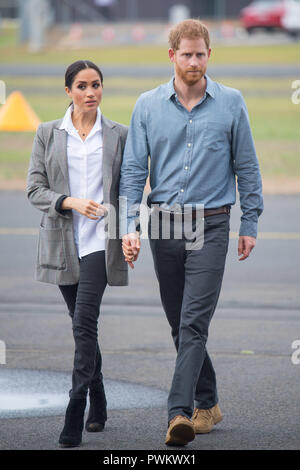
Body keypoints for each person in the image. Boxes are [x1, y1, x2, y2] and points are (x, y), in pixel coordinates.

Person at [120, 19, 263, 446]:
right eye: (187, 54)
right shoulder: (147, 105)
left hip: (212, 222)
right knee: (178, 323)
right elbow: (132, 172)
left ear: (209, 55)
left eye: (201, 54)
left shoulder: (232, 103)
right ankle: (209, 399)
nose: (194, 61)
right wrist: (127, 226)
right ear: (172, 56)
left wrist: (249, 222)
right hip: (163, 223)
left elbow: (247, 168)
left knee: (193, 322)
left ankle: (179, 413)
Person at [27, 60, 128, 447]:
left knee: (84, 322)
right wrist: (68, 200)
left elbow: (128, 186)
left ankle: (76, 405)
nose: (91, 92)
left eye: (97, 85)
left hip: (102, 243)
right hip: (63, 243)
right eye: (82, 86)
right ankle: (100, 400)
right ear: (68, 91)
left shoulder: (118, 134)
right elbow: (35, 189)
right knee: (81, 324)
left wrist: (130, 228)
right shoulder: (48, 133)